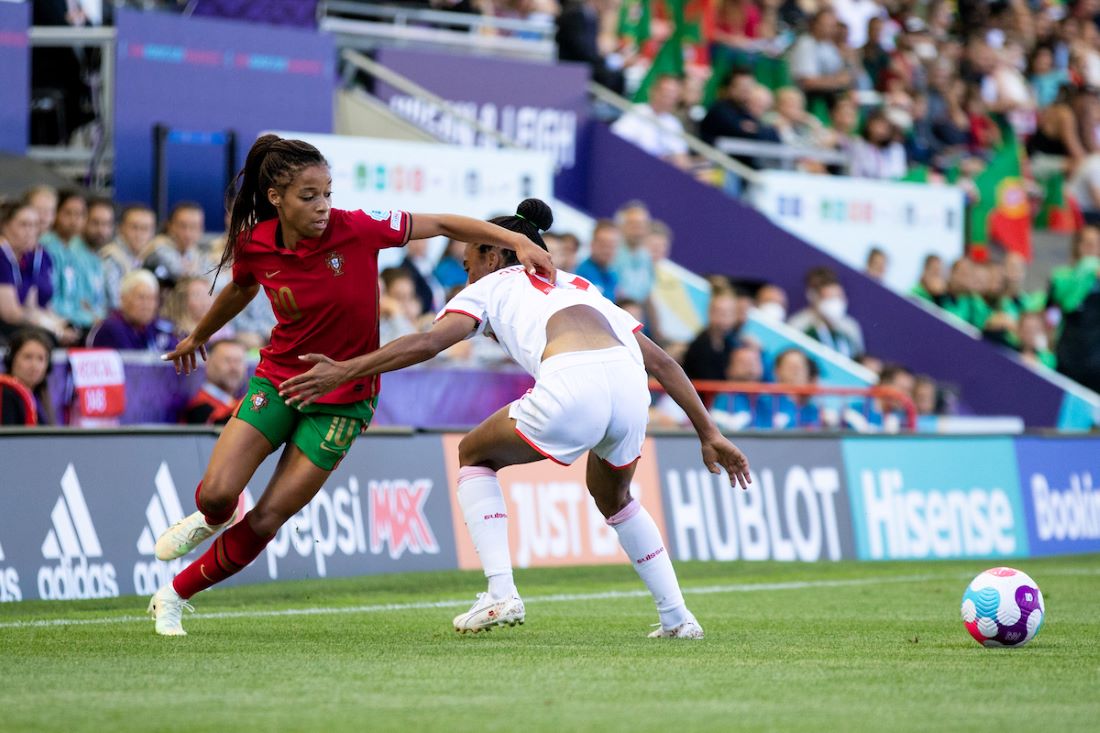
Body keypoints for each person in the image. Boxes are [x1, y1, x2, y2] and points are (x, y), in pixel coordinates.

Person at [280, 198, 751, 638]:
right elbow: (665, 364)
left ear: (491, 254)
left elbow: (428, 343)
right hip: (629, 389)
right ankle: (678, 617)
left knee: (473, 455)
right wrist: (709, 433)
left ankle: (501, 593)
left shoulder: (489, 285)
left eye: (468, 264)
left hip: (572, 382)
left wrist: (345, 370)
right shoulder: (580, 285)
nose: (467, 276)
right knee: (615, 497)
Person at [147, 134, 554, 636]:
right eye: (309, 196)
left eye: (328, 193)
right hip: (280, 378)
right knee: (217, 495)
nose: (323, 207)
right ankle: (208, 520)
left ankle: (173, 595)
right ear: (276, 198)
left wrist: (516, 240)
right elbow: (242, 286)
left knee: (268, 517)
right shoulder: (256, 243)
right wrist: (199, 335)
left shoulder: (358, 229)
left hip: (345, 399)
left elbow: (446, 223)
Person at [0, 200, 71, 346]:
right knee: (47, 339)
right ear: (4, 226)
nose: (30, 231)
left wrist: (56, 323)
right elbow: (10, 313)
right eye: (24, 224)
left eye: (34, 225)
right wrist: (52, 328)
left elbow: (30, 307)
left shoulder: (25, 257)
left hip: (14, 323)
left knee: (70, 331)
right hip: (4, 325)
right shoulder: (2, 255)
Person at [40, 190, 107, 339]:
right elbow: (48, 296)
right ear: (56, 214)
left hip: (76, 319)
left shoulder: (76, 250)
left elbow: (82, 299)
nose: (74, 220)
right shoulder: (46, 246)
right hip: (55, 319)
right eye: (68, 213)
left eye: (80, 214)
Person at [610, 74, 692, 170]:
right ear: (654, 91)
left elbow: (682, 160)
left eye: (673, 96)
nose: (668, 99)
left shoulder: (674, 124)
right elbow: (617, 140)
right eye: (666, 93)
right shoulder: (637, 111)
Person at [87, 269, 178, 352]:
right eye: (141, 297)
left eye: (151, 298)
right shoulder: (111, 328)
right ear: (123, 299)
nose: (146, 305)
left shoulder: (158, 328)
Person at [788, 267, 864, 359]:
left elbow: (859, 358)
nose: (835, 303)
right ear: (815, 299)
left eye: (838, 297)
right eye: (830, 298)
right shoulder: (798, 323)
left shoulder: (851, 327)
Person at [100, 204, 156, 309]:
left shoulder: (143, 257)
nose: (139, 234)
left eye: (145, 229)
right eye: (134, 227)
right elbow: (115, 302)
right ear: (121, 228)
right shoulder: (111, 258)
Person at [180, 339, 247, 425]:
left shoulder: (239, 403)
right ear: (208, 364)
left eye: (238, 361)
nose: (234, 368)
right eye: (227, 360)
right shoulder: (198, 408)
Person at [681, 289, 743, 381]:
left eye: (730, 313)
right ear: (710, 313)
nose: (725, 317)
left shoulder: (734, 343)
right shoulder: (699, 345)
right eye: (721, 312)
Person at [143, 202, 212, 283]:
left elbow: (216, 279)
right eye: (183, 226)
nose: (188, 233)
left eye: (194, 227)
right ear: (170, 226)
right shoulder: (158, 247)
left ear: (201, 229)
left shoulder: (195, 252)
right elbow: (181, 273)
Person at [1, 328, 55, 425]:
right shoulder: (5, 394)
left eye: (41, 359)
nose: (34, 365)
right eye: (28, 357)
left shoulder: (40, 396)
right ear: (11, 359)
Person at [574, 219, 620, 299]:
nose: (607, 250)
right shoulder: (581, 274)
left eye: (612, 246)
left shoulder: (613, 274)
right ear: (592, 244)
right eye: (603, 245)